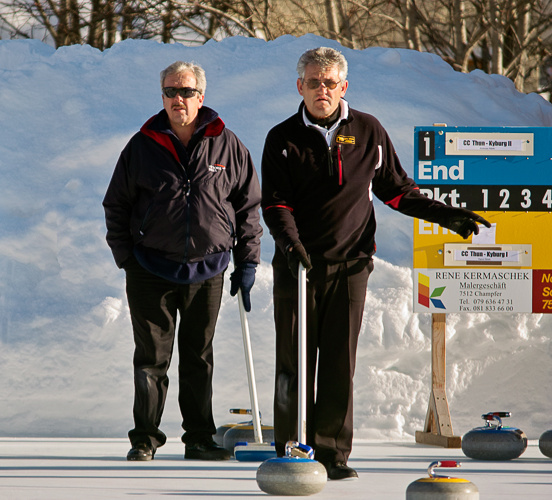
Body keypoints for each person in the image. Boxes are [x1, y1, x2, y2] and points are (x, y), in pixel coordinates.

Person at [261, 47, 489, 479]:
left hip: (351, 265)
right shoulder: (282, 137)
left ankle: (330, 453)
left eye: (330, 82)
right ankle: (292, 448)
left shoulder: (368, 131)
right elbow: (275, 202)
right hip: (298, 266)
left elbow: (397, 191)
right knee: (294, 360)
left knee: (338, 363)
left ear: (343, 86)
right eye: (314, 82)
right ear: (300, 87)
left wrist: (444, 214)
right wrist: (290, 245)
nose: (322, 90)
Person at [103, 61, 263, 461]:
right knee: (151, 360)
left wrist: (246, 263)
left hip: (207, 269)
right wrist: (127, 257)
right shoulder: (142, 145)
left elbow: (248, 208)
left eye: (186, 92)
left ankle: (199, 439)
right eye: (171, 92)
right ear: (162, 98)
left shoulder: (227, 144)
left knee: (198, 358)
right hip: (150, 268)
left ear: (201, 97)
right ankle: (144, 438)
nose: (179, 99)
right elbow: (116, 205)